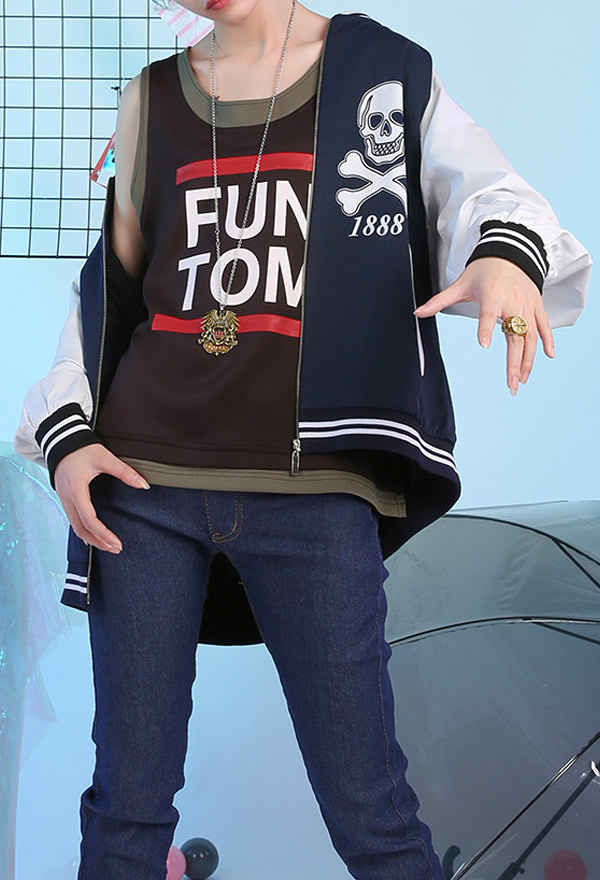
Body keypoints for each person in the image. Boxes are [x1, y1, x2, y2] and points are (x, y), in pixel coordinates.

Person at [13, 1, 591, 878]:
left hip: (317, 487)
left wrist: (505, 255)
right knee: (126, 807)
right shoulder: (150, 101)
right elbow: (109, 288)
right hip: (142, 483)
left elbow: (486, 191)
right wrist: (67, 435)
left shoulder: (381, 68)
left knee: (374, 813)